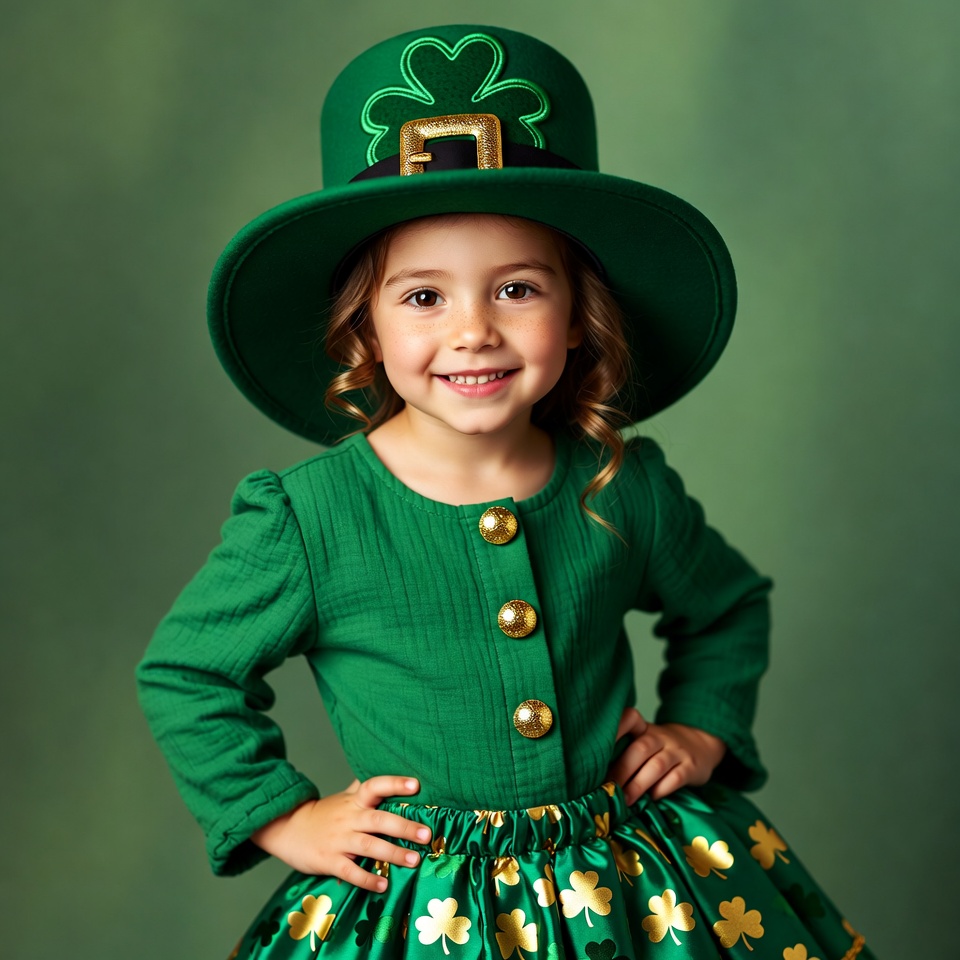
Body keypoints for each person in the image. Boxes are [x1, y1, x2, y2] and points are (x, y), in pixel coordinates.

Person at [137, 24, 874, 960]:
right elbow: (187, 674)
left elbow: (727, 606)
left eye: (517, 289)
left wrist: (701, 729)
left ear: (579, 318)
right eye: (423, 297)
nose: (474, 331)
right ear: (361, 328)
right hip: (426, 908)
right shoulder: (309, 519)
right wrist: (283, 820)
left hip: (639, 888)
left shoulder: (622, 481)